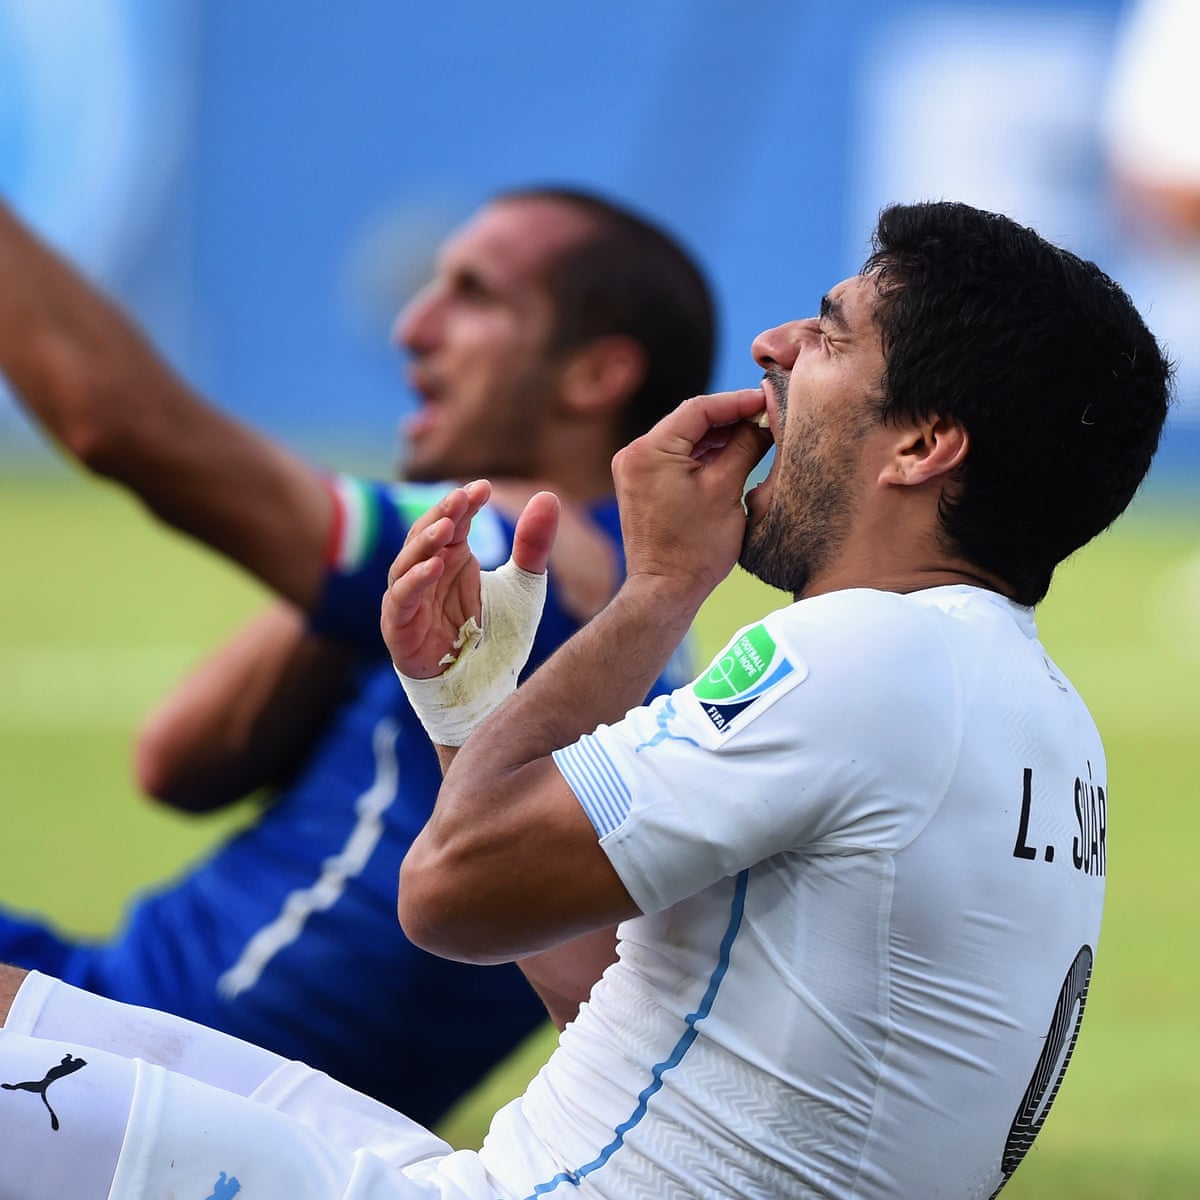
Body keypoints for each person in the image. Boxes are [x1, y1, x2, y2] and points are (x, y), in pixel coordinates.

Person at [0, 199, 1172, 1199]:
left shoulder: (863, 656)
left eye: (830, 333)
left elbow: (449, 894)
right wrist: (467, 710)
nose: (771, 346)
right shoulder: (1042, 714)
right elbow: (620, 997)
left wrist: (661, 591)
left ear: (920, 443)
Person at [0, 185, 715, 1126]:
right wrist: (367, 591)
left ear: (592, 378)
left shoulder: (524, 555)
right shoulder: (586, 605)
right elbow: (175, 762)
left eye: (472, 294)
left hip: (165, 1079)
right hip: (109, 1004)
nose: (412, 327)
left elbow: (124, 427)